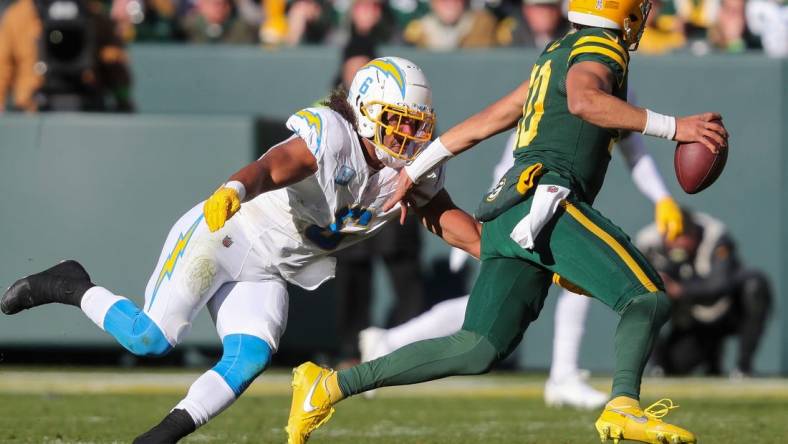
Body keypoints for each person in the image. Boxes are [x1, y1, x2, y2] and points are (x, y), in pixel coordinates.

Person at [285, 0, 728, 442]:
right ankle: (624, 406)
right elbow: (583, 100)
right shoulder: (601, 47)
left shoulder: (556, 53)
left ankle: (329, 386)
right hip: (548, 198)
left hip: (509, 207)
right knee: (647, 297)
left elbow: (487, 121)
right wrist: (676, 127)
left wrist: (414, 170)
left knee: (478, 346)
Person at [1, 57, 482, 443]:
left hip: (271, 270)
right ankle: (67, 283)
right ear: (364, 109)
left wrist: (499, 252)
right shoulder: (333, 134)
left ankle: (156, 439)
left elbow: (442, 214)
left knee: (249, 357)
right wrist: (235, 187)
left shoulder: (414, 168)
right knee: (151, 339)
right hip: (228, 233)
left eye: (416, 125)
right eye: (396, 121)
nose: (407, 137)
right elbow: (275, 165)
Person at [359, 117, 685, 409]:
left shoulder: (599, 78)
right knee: (488, 319)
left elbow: (631, 144)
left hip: (534, 199)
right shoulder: (580, 76)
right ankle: (563, 375)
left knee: (488, 318)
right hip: (528, 202)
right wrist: (672, 128)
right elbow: (515, 147)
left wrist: (663, 198)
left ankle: (391, 341)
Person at [638, 210, 772, 377]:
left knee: (755, 286)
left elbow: (719, 284)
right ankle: (659, 367)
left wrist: (679, 289)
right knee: (645, 302)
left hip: (727, 310)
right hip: (691, 323)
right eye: (674, 236)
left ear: (694, 233)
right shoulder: (649, 244)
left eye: (683, 235)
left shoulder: (715, 236)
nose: (678, 243)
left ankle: (743, 368)